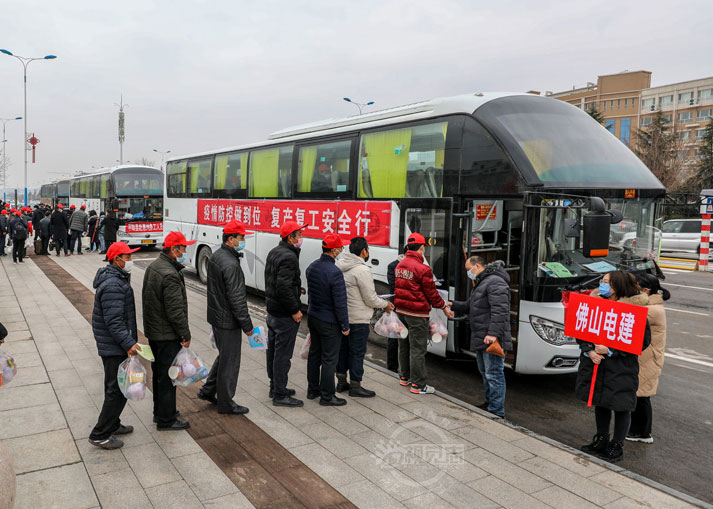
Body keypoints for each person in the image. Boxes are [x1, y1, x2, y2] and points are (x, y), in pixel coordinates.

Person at [576, 271, 651, 463]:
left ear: (618, 285)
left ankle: (617, 445)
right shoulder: (594, 304)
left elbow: (642, 341)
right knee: (601, 402)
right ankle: (601, 439)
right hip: (596, 365)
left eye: (606, 282)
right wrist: (588, 350)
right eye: (601, 281)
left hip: (621, 367)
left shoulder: (634, 311)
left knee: (620, 406)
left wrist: (611, 350)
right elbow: (581, 329)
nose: (602, 284)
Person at [88, 242, 140, 450]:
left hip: (113, 343)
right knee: (117, 390)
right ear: (116, 260)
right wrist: (129, 343)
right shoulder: (113, 285)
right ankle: (100, 433)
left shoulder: (116, 279)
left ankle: (113, 423)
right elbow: (114, 321)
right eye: (127, 257)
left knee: (114, 385)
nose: (130, 261)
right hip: (114, 345)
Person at [198, 220, 254, 414]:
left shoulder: (218, 256)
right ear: (231, 239)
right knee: (230, 362)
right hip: (228, 321)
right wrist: (247, 326)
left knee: (224, 357)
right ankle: (226, 403)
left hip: (217, 316)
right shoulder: (231, 264)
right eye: (242, 237)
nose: (244, 240)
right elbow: (237, 299)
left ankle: (208, 390)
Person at [142, 231, 195, 430]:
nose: (185, 252)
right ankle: (167, 419)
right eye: (183, 248)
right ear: (173, 249)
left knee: (159, 375)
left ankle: (160, 412)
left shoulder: (155, 266)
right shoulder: (170, 274)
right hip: (167, 334)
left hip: (155, 331)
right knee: (168, 377)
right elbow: (175, 311)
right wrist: (185, 334)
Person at [450, 257, 512, 417]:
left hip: (491, 338)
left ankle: (497, 411)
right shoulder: (483, 281)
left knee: (494, 373)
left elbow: (500, 310)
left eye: (468, 269)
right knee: (486, 372)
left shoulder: (495, 282)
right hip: (481, 335)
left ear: (477, 266)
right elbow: (471, 306)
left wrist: (493, 334)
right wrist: (453, 304)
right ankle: (489, 404)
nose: (468, 272)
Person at [394, 232, 453, 394]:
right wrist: (444, 307)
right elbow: (432, 294)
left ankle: (404, 378)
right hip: (417, 315)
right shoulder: (423, 269)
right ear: (421, 248)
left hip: (401, 312)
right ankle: (418, 385)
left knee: (404, 346)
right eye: (423, 248)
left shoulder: (400, 265)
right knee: (417, 349)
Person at [336, 236, 394, 397]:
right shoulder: (362, 270)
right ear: (364, 251)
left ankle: (341, 382)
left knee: (342, 350)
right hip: (358, 319)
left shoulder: (340, 265)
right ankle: (355, 386)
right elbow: (370, 298)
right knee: (357, 352)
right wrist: (386, 305)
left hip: (343, 317)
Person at [264, 220, 306, 407]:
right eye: (299, 235)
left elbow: (278, 282)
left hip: (273, 311)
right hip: (283, 315)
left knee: (273, 351)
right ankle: (280, 394)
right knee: (282, 355)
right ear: (290, 238)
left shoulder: (274, 251)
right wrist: (294, 310)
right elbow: (283, 287)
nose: (301, 238)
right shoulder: (289, 257)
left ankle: (275, 386)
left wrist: (298, 289)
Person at [306, 233, 350, 406]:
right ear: (334, 250)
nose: (342, 250)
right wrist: (345, 325)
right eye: (340, 247)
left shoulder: (312, 267)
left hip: (314, 316)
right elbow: (340, 303)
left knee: (314, 355)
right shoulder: (335, 272)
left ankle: (312, 390)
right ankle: (327, 396)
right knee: (330, 359)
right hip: (329, 322)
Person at [628, 273, 669, 444]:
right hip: (645, 357)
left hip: (648, 358)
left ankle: (642, 433)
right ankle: (639, 431)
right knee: (640, 394)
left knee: (642, 395)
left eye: (635, 287)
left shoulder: (651, 310)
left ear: (645, 290)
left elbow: (626, 315)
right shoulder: (649, 304)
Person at [385, 249, 406, 372]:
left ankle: (404, 368)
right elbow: (393, 286)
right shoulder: (393, 266)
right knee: (394, 337)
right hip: (397, 305)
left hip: (408, 305)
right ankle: (392, 368)